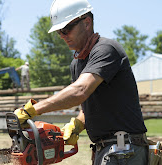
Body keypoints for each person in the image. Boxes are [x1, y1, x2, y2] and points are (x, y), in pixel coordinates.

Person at [14, 0, 148, 164]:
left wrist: (32, 110)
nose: (63, 36)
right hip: (107, 149)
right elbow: (87, 105)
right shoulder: (77, 64)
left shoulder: (106, 50)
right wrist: (77, 124)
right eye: (59, 32)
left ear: (86, 23)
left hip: (124, 149)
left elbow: (80, 91)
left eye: (66, 29)